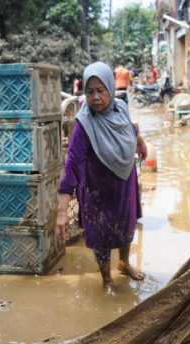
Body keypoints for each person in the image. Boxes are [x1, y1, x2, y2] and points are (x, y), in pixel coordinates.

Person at [57, 62, 147, 291]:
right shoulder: (84, 124)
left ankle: (124, 264)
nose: (96, 97)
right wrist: (62, 211)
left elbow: (130, 127)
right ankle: (106, 279)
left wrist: (140, 143)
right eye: (90, 92)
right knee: (102, 234)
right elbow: (73, 161)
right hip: (97, 189)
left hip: (124, 183)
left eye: (101, 91)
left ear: (110, 88)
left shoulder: (120, 108)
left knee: (126, 225)